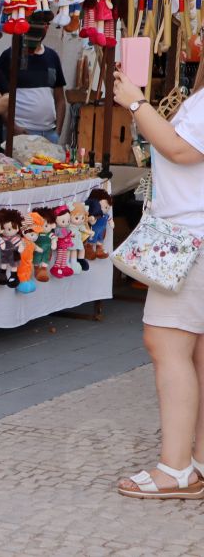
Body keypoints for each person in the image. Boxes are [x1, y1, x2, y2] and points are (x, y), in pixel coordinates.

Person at [114, 67, 204, 499]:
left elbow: (179, 149)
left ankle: (176, 469)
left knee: (166, 343)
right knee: (195, 352)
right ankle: (196, 463)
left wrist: (135, 101)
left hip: (191, 239)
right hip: (193, 235)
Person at [0, 22, 65, 144]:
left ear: (47, 27)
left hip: (48, 134)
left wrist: (57, 132)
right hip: (19, 133)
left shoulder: (52, 57)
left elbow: (60, 99)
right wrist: (13, 127)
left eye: (44, 24)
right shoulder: (10, 55)